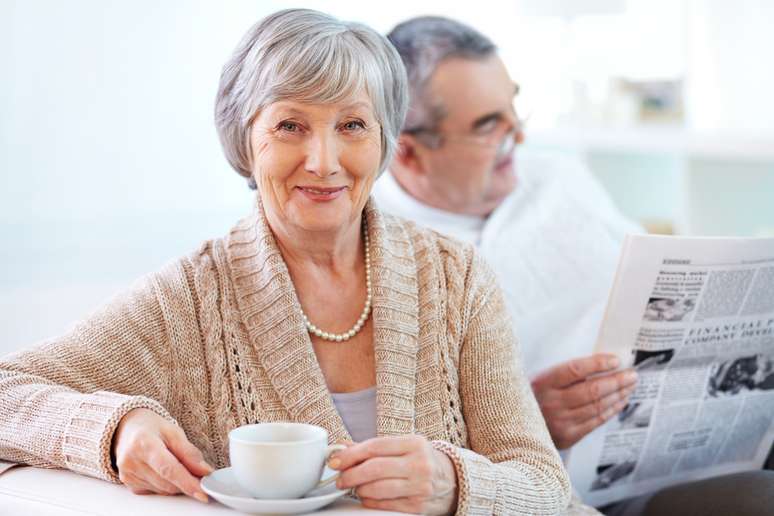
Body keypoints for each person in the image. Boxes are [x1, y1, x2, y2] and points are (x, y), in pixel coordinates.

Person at [0, 9, 576, 515]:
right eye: (290, 126)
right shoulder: (188, 298)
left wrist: (454, 485)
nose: (323, 161)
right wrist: (114, 429)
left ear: (384, 142)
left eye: (352, 125)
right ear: (245, 140)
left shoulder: (457, 277)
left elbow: (546, 486)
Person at [375, 15, 774, 516]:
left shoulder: (558, 176)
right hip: (569, 487)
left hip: (689, 436)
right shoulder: (382, 249)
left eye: (514, 108)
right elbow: (403, 453)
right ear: (408, 153)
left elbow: (656, 273)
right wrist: (526, 421)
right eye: (487, 126)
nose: (517, 137)